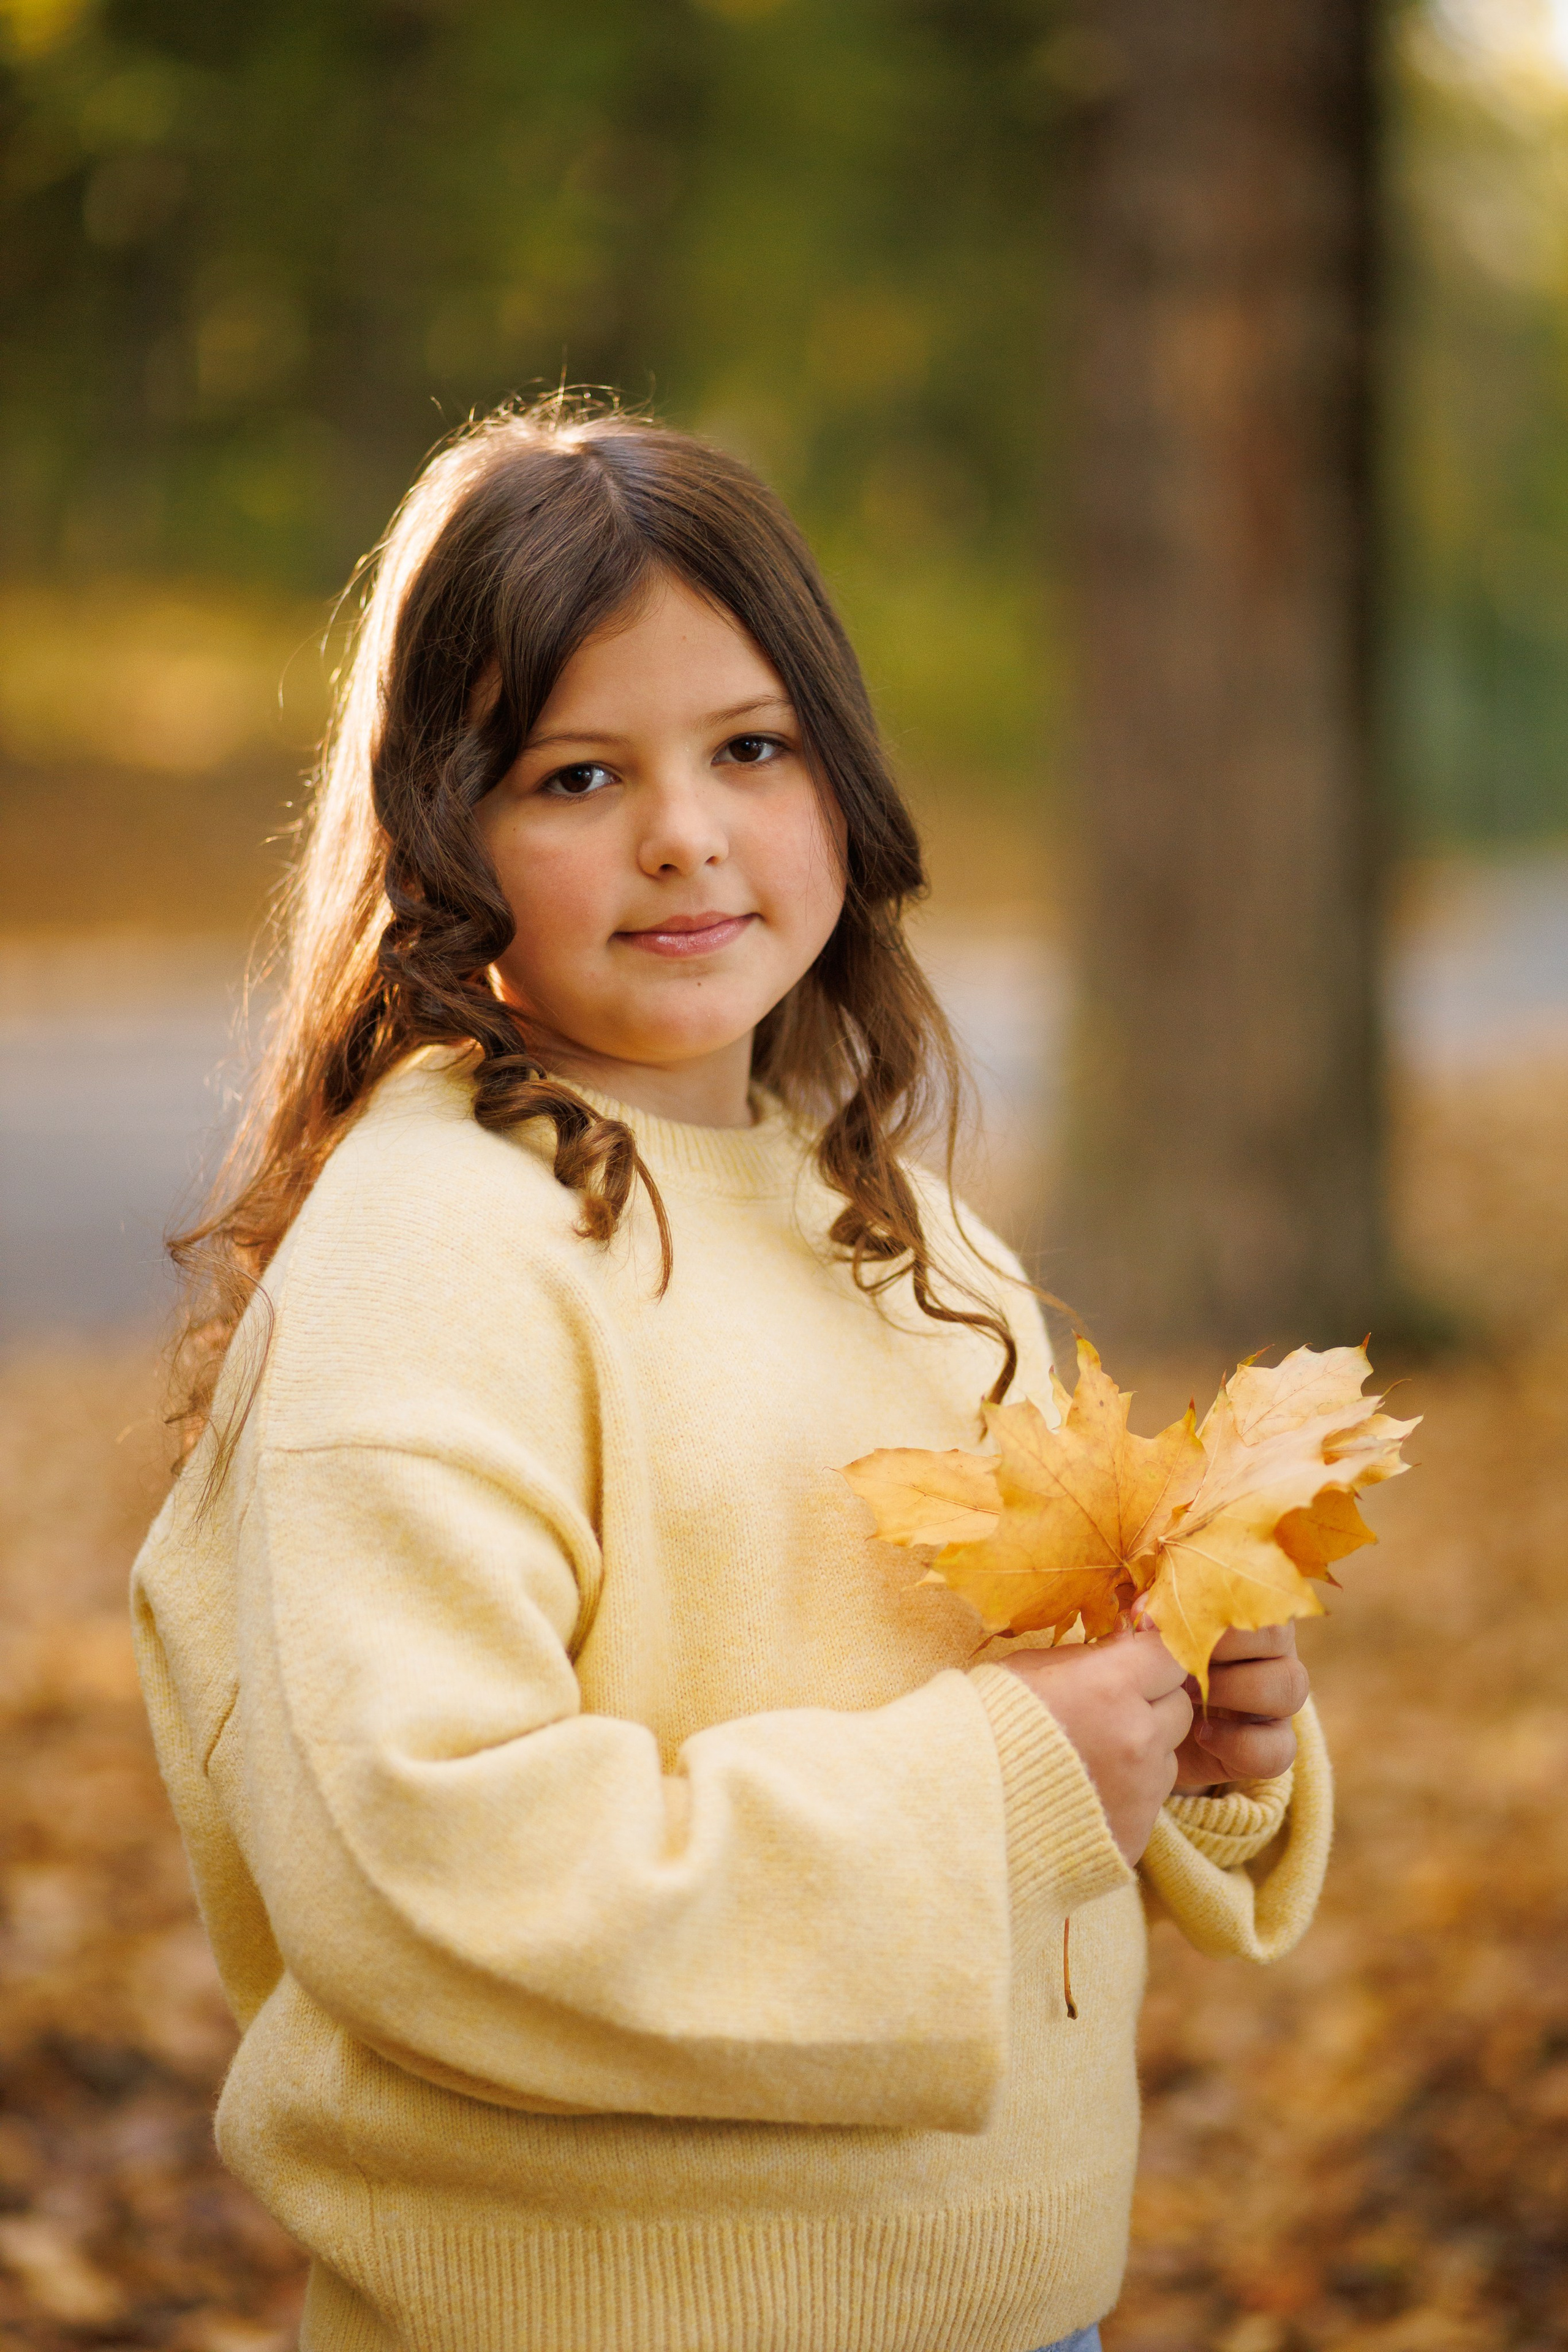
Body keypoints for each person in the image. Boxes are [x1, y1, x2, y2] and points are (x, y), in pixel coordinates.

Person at [132, 402, 1330, 2352]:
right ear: (443, 832)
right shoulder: (435, 1257)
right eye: (577, 774)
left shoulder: (908, 1233)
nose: (683, 832)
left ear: (839, 778)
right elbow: (424, 1868)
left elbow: (1042, 1724)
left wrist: (1193, 1737)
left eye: (751, 748)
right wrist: (1010, 1782)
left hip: (1018, 2309)